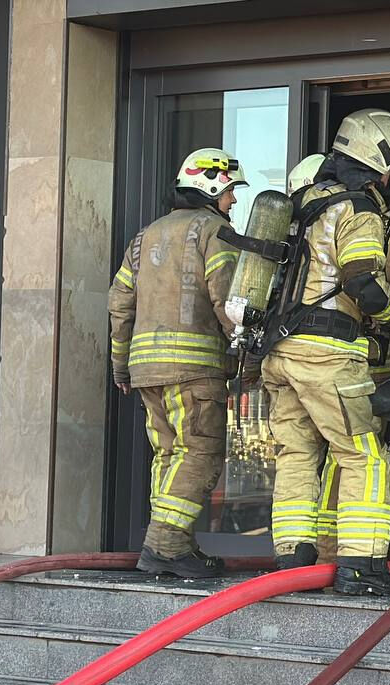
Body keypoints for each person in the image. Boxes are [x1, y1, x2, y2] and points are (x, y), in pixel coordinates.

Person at [263, 109, 390, 595]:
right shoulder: (359, 209)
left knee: (297, 454)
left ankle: (293, 559)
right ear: (382, 160)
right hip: (329, 352)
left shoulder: (303, 202)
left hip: (281, 351)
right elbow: (362, 281)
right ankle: (361, 566)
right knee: (365, 454)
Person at [108, 147, 245, 578]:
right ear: (212, 185)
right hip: (195, 368)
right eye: (231, 192)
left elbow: (119, 304)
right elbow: (228, 299)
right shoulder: (215, 232)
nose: (234, 202)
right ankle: (165, 545)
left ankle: (177, 546)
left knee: (169, 455)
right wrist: (245, 352)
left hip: (146, 370)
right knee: (200, 452)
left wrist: (119, 364)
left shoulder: (144, 236)